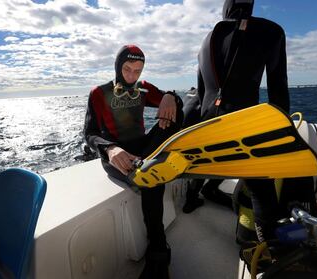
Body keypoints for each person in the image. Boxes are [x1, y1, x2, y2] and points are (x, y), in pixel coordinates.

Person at [183, 0, 290, 242]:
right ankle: (267, 251)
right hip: (241, 124)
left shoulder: (206, 41)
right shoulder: (271, 31)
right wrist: (281, 139)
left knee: (206, 160)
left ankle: (193, 199)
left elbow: (201, 94)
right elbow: (278, 89)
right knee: (262, 190)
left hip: (208, 126)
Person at [83, 45, 183, 279]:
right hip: (116, 153)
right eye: (127, 69)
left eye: (137, 71)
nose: (131, 76)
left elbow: (170, 103)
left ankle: (173, 152)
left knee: (182, 107)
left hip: (142, 146)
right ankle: (159, 252)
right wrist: (109, 148)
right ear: (118, 67)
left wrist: (170, 96)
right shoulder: (98, 93)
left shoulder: (143, 88)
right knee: (151, 177)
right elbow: (89, 133)